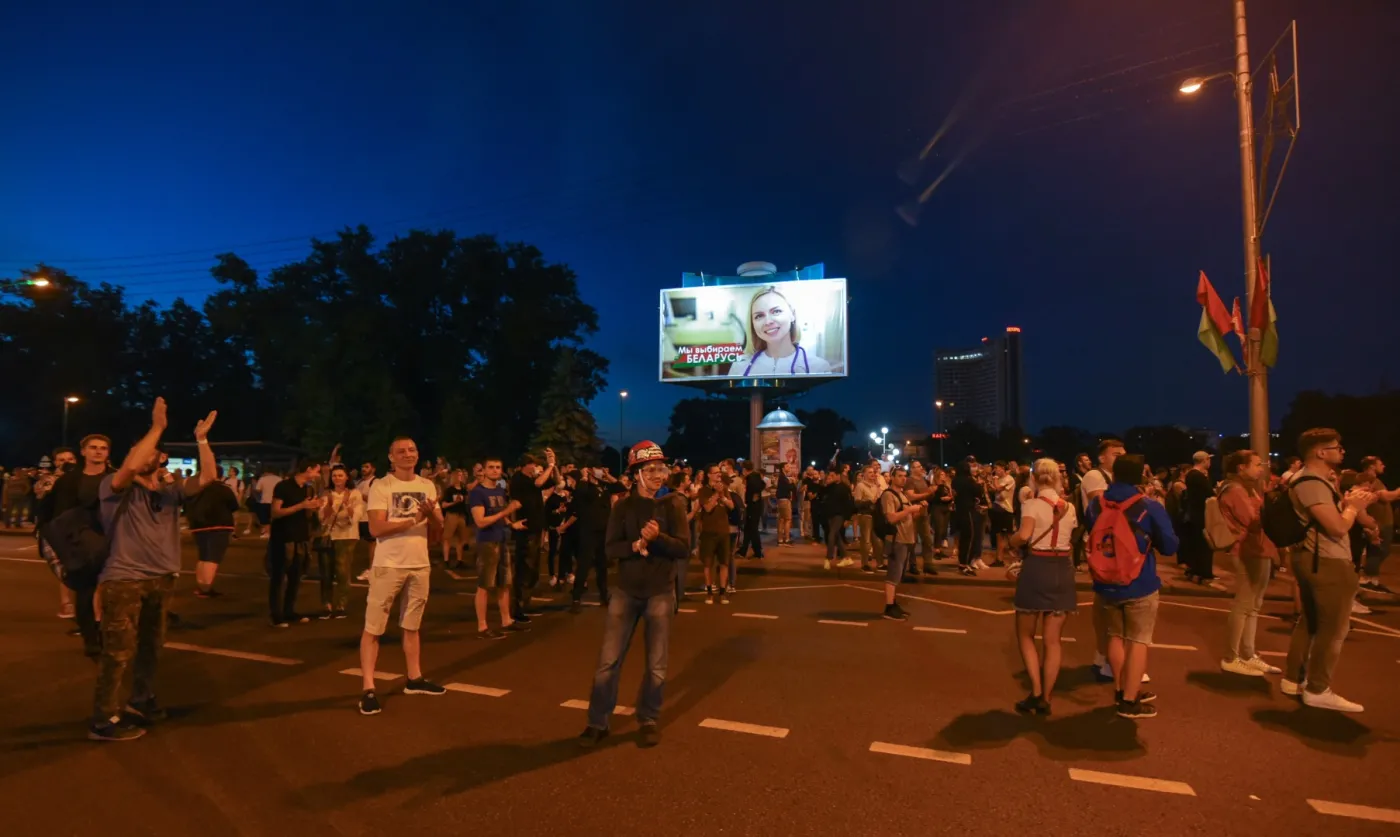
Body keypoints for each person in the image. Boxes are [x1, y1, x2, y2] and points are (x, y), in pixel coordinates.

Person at [90, 399, 218, 741]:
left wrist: (202, 440)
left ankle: (141, 700)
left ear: (161, 458)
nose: (143, 454)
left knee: (151, 646)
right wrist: (157, 427)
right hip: (124, 578)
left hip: (162, 578)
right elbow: (131, 465)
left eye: (151, 450)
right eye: (138, 449)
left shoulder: (170, 489)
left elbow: (209, 477)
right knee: (118, 652)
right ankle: (103, 719)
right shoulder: (114, 486)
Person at [578, 441, 689, 749]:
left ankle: (648, 718)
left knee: (657, 664)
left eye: (662, 469)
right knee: (608, 662)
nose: (658, 475)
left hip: (660, 593)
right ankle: (597, 721)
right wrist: (634, 546)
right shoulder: (623, 507)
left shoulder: (673, 504)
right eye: (651, 469)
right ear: (636, 474)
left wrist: (659, 538)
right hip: (625, 593)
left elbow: (683, 547)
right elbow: (610, 548)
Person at [1280, 428, 1373, 713]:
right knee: (1333, 630)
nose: (1341, 452)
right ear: (1321, 452)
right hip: (1326, 560)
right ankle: (1318, 688)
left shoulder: (1312, 480)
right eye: (1337, 447)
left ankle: (1294, 679)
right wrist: (1354, 508)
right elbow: (1336, 527)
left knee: (1310, 622)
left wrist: (1347, 505)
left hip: (1315, 558)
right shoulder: (1311, 481)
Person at [358, 437, 448, 715]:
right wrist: (412, 520)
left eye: (412, 450)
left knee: (412, 624)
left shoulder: (426, 485)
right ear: (391, 458)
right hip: (388, 565)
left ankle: (414, 678)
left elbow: (439, 526)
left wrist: (431, 517)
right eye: (401, 451)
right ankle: (368, 688)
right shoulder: (382, 486)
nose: (407, 454)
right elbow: (375, 528)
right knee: (374, 627)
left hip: (419, 564)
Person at [1084, 454, 1178, 720]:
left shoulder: (1096, 504)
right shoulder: (1148, 506)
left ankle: (1118, 687)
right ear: (1139, 476)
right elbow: (1170, 546)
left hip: (1105, 580)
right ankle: (1129, 699)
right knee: (1138, 641)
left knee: (1114, 635)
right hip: (1140, 581)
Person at [1008, 459, 1078, 714]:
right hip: (1062, 569)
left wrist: (1011, 540)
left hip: (1037, 567)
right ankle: (1047, 697)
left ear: (1034, 479)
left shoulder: (1031, 504)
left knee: (1025, 634)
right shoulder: (1069, 507)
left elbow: (1024, 536)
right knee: (1053, 641)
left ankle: (1036, 691)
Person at [42, 435, 113, 655]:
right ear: (83, 451)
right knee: (86, 590)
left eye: (103, 448)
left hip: (111, 541)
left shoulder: (115, 477)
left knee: (109, 590)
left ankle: (104, 632)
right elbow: (56, 514)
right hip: (79, 543)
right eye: (93, 448)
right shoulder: (69, 481)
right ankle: (91, 638)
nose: (98, 452)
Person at [1216, 450, 1281, 676]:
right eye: (1256, 464)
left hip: (1259, 548)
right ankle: (1231, 657)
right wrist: (1274, 505)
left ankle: (1248, 654)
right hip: (1246, 550)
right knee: (1244, 604)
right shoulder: (1234, 490)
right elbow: (1253, 520)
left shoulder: (1248, 488)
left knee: (1254, 605)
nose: (1261, 468)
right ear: (1241, 468)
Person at [725, 285, 834, 377]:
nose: (768, 321)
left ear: (792, 315)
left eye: (776, 311)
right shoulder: (739, 367)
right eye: (759, 316)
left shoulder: (819, 368)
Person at [470, 459, 525, 638]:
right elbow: (480, 521)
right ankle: (482, 627)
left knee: (504, 583)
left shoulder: (500, 490)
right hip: (487, 542)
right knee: (485, 585)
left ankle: (506, 620)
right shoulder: (477, 493)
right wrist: (506, 512)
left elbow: (499, 513)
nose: (495, 471)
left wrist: (511, 524)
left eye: (498, 467)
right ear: (484, 470)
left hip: (502, 540)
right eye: (491, 467)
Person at [268, 459, 324, 627]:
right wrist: (302, 505)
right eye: (316, 471)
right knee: (278, 578)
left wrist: (314, 507)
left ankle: (289, 611)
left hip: (301, 537)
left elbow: (306, 511)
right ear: (308, 469)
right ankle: (276, 615)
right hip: (283, 538)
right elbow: (276, 512)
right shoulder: (283, 486)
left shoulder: (307, 488)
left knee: (295, 577)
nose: (317, 475)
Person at [508, 450, 555, 624]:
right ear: (524, 466)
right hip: (525, 529)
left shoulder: (530, 479)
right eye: (533, 464)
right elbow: (539, 483)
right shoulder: (519, 480)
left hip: (536, 529)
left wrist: (553, 465)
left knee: (533, 569)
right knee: (524, 569)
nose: (535, 467)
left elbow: (553, 482)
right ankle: (517, 609)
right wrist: (549, 466)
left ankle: (525, 605)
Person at [186, 464, 240, 599]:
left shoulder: (195, 488)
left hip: (198, 526)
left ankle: (201, 586)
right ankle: (206, 588)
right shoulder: (222, 489)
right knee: (213, 557)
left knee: (203, 556)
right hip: (219, 526)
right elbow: (234, 506)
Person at [878, 466, 923, 621]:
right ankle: (889, 607)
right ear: (892, 477)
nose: (903, 478)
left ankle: (893, 603)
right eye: (899, 476)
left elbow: (906, 517)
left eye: (905, 476)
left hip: (906, 538)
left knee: (899, 575)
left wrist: (916, 512)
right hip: (897, 540)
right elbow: (891, 518)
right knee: (893, 574)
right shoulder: (888, 495)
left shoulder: (901, 495)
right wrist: (910, 510)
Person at [317, 464, 362, 619]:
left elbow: (356, 517)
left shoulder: (355, 494)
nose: (337, 478)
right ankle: (326, 604)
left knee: (342, 571)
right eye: (334, 475)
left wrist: (348, 510)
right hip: (328, 536)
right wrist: (328, 507)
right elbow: (322, 518)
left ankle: (341, 605)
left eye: (340, 475)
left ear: (347, 477)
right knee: (326, 572)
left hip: (347, 536)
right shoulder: (326, 495)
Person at [1357, 456, 1397, 594]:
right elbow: (1385, 496)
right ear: (1372, 466)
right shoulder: (1368, 479)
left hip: (1381, 522)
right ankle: (1369, 580)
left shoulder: (1376, 480)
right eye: (1380, 464)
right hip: (1377, 523)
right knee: (1378, 551)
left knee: (1381, 551)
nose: (1384, 466)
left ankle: (1372, 580)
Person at [1180, 451, 1220, 588]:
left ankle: (1195, 570)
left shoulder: (1191, 475)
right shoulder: (1198, 476)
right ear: (1205, 460)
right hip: (1201, 514)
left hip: (1194, 514)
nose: (1210, 462)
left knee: (1196, 544)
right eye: (1209, 460)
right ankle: (1204, 573)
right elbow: (1210, 493)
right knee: (1205, 545)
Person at [696, 465, 734, 604]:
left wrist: (723, 495)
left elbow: (731, 505)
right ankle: (709, 593)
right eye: (716, 472)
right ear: (709, 475)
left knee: (724, 563)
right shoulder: (703, 491)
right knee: (708, 564)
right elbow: (707, 507)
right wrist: (716, 494)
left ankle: (723, 593)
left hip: (724, 531)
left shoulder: (723, 488)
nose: (719, 474)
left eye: (720, 472)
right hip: (709, 532)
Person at [439, 469, 471, 570]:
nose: (460, 477)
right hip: (452, 515)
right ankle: (446, 560)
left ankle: (459, 560)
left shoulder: (463, 489)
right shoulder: (449, 490)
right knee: (447, 538)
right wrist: (454, 503)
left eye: (461, 475)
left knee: (461, 539)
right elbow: (443, 505)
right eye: (458, 475)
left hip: (461, 515)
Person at [736, 459, 766, 559]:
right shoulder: (755, 476)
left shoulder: (751, 478)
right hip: (755, 507)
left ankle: (758, 552)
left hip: (753, 507)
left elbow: (755, 489)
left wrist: (753, 497)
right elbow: (763, 485)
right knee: (749, 529)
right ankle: (744, 551)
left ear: (745, 469)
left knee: (752, 529)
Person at [252, 468, 281, 538]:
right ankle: (275, 533)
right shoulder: (279, 479)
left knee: (265, 519)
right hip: (276, 501)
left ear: (266, 472)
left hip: (265, 501)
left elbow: (258, 490)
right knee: (275, 518)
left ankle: (267, 533)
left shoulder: (262, 479)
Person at [774, 463, 795, 546]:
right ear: (783, 468)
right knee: (787, 520)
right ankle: (786, 539)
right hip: (784, 500)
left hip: (782, 500)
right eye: (787, 466)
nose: (789, 467)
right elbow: (791, 488)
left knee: (781, 520)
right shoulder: (783, 477)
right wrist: (792, 482)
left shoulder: (782, 477)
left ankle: (780, 539)